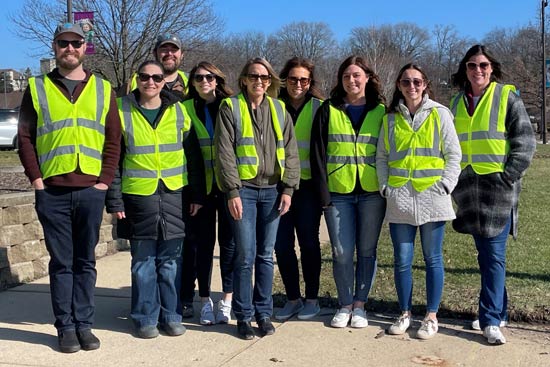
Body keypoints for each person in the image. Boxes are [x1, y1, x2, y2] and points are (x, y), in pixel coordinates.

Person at [17, 23, 121, 353]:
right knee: (62, 263)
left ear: (85, 47)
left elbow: (113, 140)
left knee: (85, 261)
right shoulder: (36, 87)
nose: (70, 48)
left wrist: (104, 182)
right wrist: (37, 181)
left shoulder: (103, 89)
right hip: (52, 191)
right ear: (55, 46)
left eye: (76, 43)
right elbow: (24, 138)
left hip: (91, 189)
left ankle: (85, 325)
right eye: (64, 43)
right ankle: (65, 327)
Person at [105, 60, 205, 339]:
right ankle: (144, 317)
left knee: (172, 260)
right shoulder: (121, 109)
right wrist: (115, 201)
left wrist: (197, 194)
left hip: (174, 194)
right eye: (145, 77)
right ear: (137, 79)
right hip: (138, 196)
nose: (151, 82)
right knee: (143, 260)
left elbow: (193, 157)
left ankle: (171, 315)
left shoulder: (179, 111)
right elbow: (114, 160)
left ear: (165, 81)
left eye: (157, 77)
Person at [450, 44, 536, 345]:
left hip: (498, 187)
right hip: (468, 188)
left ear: (492, 68)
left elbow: (525, 142)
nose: (478, 71)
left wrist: (509, 176)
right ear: (465, 69)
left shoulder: (506, 97)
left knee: (494, 255)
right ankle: (500, 311)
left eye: (483, 65)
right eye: (472, 65)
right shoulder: (456, 103)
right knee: (487, 256)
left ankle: (489, 319)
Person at [214, 57, 300, 339]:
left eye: (264, 77)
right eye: (254, 76)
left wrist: (288, 188)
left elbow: (291, 150)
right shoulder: (231, 107)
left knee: (265, 256)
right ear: (244, 79)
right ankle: (243, 316)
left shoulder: (279, 108)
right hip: (245, 192)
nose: (259, 81)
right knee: (245, 255)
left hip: (273, 190)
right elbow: (224, 153)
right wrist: (232, 191)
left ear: (270, 80)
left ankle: (263, 313)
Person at [376, 63, 461, 339]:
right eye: (405, 82)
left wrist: (446, 185)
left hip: (432, 198)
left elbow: (453, 155)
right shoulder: (390, 119)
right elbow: (382, 157)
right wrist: (385, 186)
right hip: (399, 198)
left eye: (416, 81)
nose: (411, 87)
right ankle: (404, 313)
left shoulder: (440, 114)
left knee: (432, 257)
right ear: (398, 86)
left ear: (425, 84)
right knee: (402, 259)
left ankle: (431, 315)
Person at [310, 55, 386, 329]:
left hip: (371, 192)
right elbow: (317, 155)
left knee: (367, 250)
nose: (351, 80)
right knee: (342, 252)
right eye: (346, 76)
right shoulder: (328, 110)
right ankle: (344, 304)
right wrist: (324, 196)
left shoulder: (381, 111)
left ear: (367, 77)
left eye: (356, 75)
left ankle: (360, 304)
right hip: (338, 192)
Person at [180, 61, 236, 325]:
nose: (205, 82)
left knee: (229, 246)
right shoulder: (184, 109)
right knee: (202, 246)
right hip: (200, 190)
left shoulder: (231, 106)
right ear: (192, 81)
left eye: (210, 77)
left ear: (217, 80)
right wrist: (195, 194)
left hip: (228, 188)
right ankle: (204, 301)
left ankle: (227, 300)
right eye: (199, 77)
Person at [273, 57, 324, 321]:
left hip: (308, 188)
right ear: (284, 80)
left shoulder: (320, 108)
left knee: (308, 243)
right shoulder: (273, 106)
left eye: (304, 80)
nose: (298, 84)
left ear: (310, 82)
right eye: (293, 79)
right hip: (278, 186)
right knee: (282, 245)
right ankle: (292, 298)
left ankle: (312, 299)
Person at [123, 34, 188, 99]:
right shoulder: (134, 81)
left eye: (174, 49)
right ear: (155, 53)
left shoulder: (193, 81)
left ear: (182, 55)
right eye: (164, 49)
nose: (169, 53)